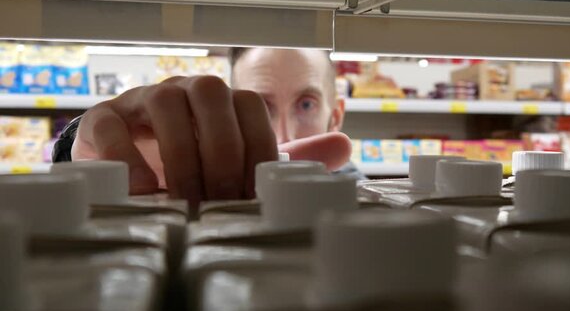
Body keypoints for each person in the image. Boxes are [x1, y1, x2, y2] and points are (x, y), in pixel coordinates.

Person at [53, 48, 363, 207]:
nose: (284, 136)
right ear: (227, 109)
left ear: (335, 116)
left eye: (306, 104)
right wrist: (81, 151)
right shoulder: (205, 193)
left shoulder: (366, 204)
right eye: (260, 107)